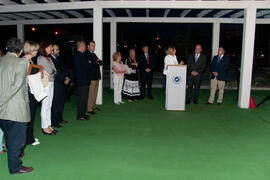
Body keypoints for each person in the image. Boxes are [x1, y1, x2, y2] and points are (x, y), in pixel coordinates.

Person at [0, 37, 33, 174]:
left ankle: (14, 158)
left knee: (9, 137)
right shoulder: (20, 63)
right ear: (20, 51)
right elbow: (17, 85)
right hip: (16, 108)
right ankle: (15, 167)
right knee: (18, 140)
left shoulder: (1, 60)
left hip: (3, 111)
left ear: (7, 48)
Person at [37, 41, 57, 135]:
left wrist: (52, 72)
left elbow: (54, 71)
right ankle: (44, 127)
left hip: (51, 82)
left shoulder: (48, 58)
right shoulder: (41, 58)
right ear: (44, 48)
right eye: (49, 47)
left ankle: (49, 124)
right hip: (46, 83)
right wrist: (52, 72)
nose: (51, 49)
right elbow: (50, 70)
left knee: (49, 105)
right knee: (45, 105)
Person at [23, 40, 40, 146]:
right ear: (31, 50)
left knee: (31, 115)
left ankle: (30, 137)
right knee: (28, 117)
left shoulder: (30, 61)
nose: (37, 52)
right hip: (27, 93)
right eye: (36, 50)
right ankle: (28, 139)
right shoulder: (24, 61)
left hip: (32, 91)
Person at [50, 44, 70, 128]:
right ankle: (54, 121)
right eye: (56, 50)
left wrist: (67, 77)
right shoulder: (50, 60)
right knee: (55, 103)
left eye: (58, 49)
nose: (58, 51)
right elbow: (55, 73)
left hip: (62, 84)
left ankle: (60, 118)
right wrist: (64, 78)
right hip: (56, 84)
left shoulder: (58, 59)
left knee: (61, 102)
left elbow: (64, 69)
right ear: (52, 51)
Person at [73, 41, 90, 120]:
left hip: (84, 80)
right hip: (82, 81)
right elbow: (85, 67)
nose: (85, 47)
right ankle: (80, 116)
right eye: (84, 46)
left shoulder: (80, 55)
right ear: (80, 47)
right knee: (82, 99)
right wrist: (88, 64)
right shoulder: (78, 55)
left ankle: (83, 114)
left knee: (84, 98)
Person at [85, 41, 102, 114]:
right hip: (91, 77)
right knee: (91, 93)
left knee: (95, 93)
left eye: (94, 45)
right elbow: (91, 65)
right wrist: (96, 62)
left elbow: (101, 62)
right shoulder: (86, 54)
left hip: (96, 76)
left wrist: (95, 62)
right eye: (92, 45)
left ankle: (93, 106)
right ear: (88, 46)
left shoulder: (94, 54)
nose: (93, 47)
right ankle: (89, 109)